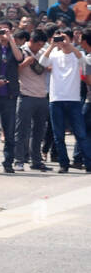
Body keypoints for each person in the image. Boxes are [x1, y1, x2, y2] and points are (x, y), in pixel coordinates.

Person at [36, 29, 90, 173]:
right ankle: (63, 164)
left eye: (62, 38)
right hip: (56, 98)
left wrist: (69, 44)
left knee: (81, 133)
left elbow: (83, 61)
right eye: (57, 38)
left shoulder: (76, 53)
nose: (60, 40)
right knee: (58, 134)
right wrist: (52, 45)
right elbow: (41, 62)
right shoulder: (54, 53)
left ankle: (89, 163)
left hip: (73, 99)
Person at [0, 23, 24, 172]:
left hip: (9, 95)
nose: (1, 33)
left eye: (4, 31)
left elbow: (19, 58)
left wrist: (11, 39)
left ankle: (8, 162)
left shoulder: (14, 47)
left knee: (9, 131)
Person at [14, 29, 52, 171]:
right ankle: (19, 160)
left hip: (41, 96)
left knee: (39, 131)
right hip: (25, 95)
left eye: (42, 45)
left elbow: (49, 67)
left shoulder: (43, 53)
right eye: (38, 45)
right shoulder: (21, 52)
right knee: (22, 130)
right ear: (31, 41)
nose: (40, 48)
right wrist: (24, 63)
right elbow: (12, 71)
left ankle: (36, 161)